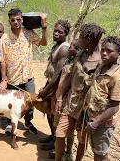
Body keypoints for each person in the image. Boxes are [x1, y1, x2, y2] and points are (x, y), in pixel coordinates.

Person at [54, 23, 105, 161]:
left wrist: (87, 111)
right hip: (71, 103)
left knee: (82, 139)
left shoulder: (100, 63)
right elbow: (70, 77)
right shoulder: (80, 55)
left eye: (81, 37)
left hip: (87, 108)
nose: (78, 39)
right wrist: (60, 98)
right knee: (60, 134)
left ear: (88, 40)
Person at [0, 8, 47, 135]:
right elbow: (1, 59)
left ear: (22, 19)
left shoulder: (28, 33)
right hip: (12, 78)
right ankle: (9, 123)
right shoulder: (5, 38)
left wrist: (44, 26)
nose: (16, 22)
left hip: (28, 77)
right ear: (9, 21)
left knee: (30, 102)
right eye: (13, 20)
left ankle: (28, 122)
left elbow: (44, 43)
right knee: (11, 102)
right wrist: (4, 80)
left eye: (18, 19)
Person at [77, 36, 120, 161]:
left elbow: (115, 106)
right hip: (92, 116)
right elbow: (91, 92)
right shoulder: (101, 66)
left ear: (118, 53)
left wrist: (95, 124)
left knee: (101, 154)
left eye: (109, 51)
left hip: (102, 123)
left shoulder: (115, 76)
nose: (104, 53)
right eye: (103, 50)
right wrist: (83, 115)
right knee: (96, 152)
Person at [38, 20, 71, 151]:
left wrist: (46, 90)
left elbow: (58, 74)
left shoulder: (64, 48)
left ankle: (57, 143)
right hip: (52, 84)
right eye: (55, 31)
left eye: (60, 32)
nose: (56, 34)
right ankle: (53, 136)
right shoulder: (56, 46)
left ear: (66, 34)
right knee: (49, 112)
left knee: (55, 114)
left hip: (59, 87)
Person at [49, 40, 80, 159]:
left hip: (67, 101)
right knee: (58, 127)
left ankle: (68, 153)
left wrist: (61, 99)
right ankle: (59, 152)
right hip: (60, 97)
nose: (68, 48)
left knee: (68, 131)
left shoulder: (74, 65)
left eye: (71, 47)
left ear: (77, 51)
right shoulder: (67, 61)